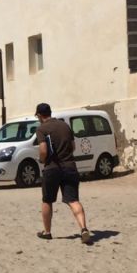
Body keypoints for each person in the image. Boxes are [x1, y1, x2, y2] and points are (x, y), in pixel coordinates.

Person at [35, 103, 91, 243]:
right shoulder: (65, 126)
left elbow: (43, 150)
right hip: (70, 167)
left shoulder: (42, 129)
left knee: (47, 200)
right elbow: (73, 146)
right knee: (73, 200)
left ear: (40, 115)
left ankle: (47, 232)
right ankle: (83, 228)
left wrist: (42, 160)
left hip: (52, 168)